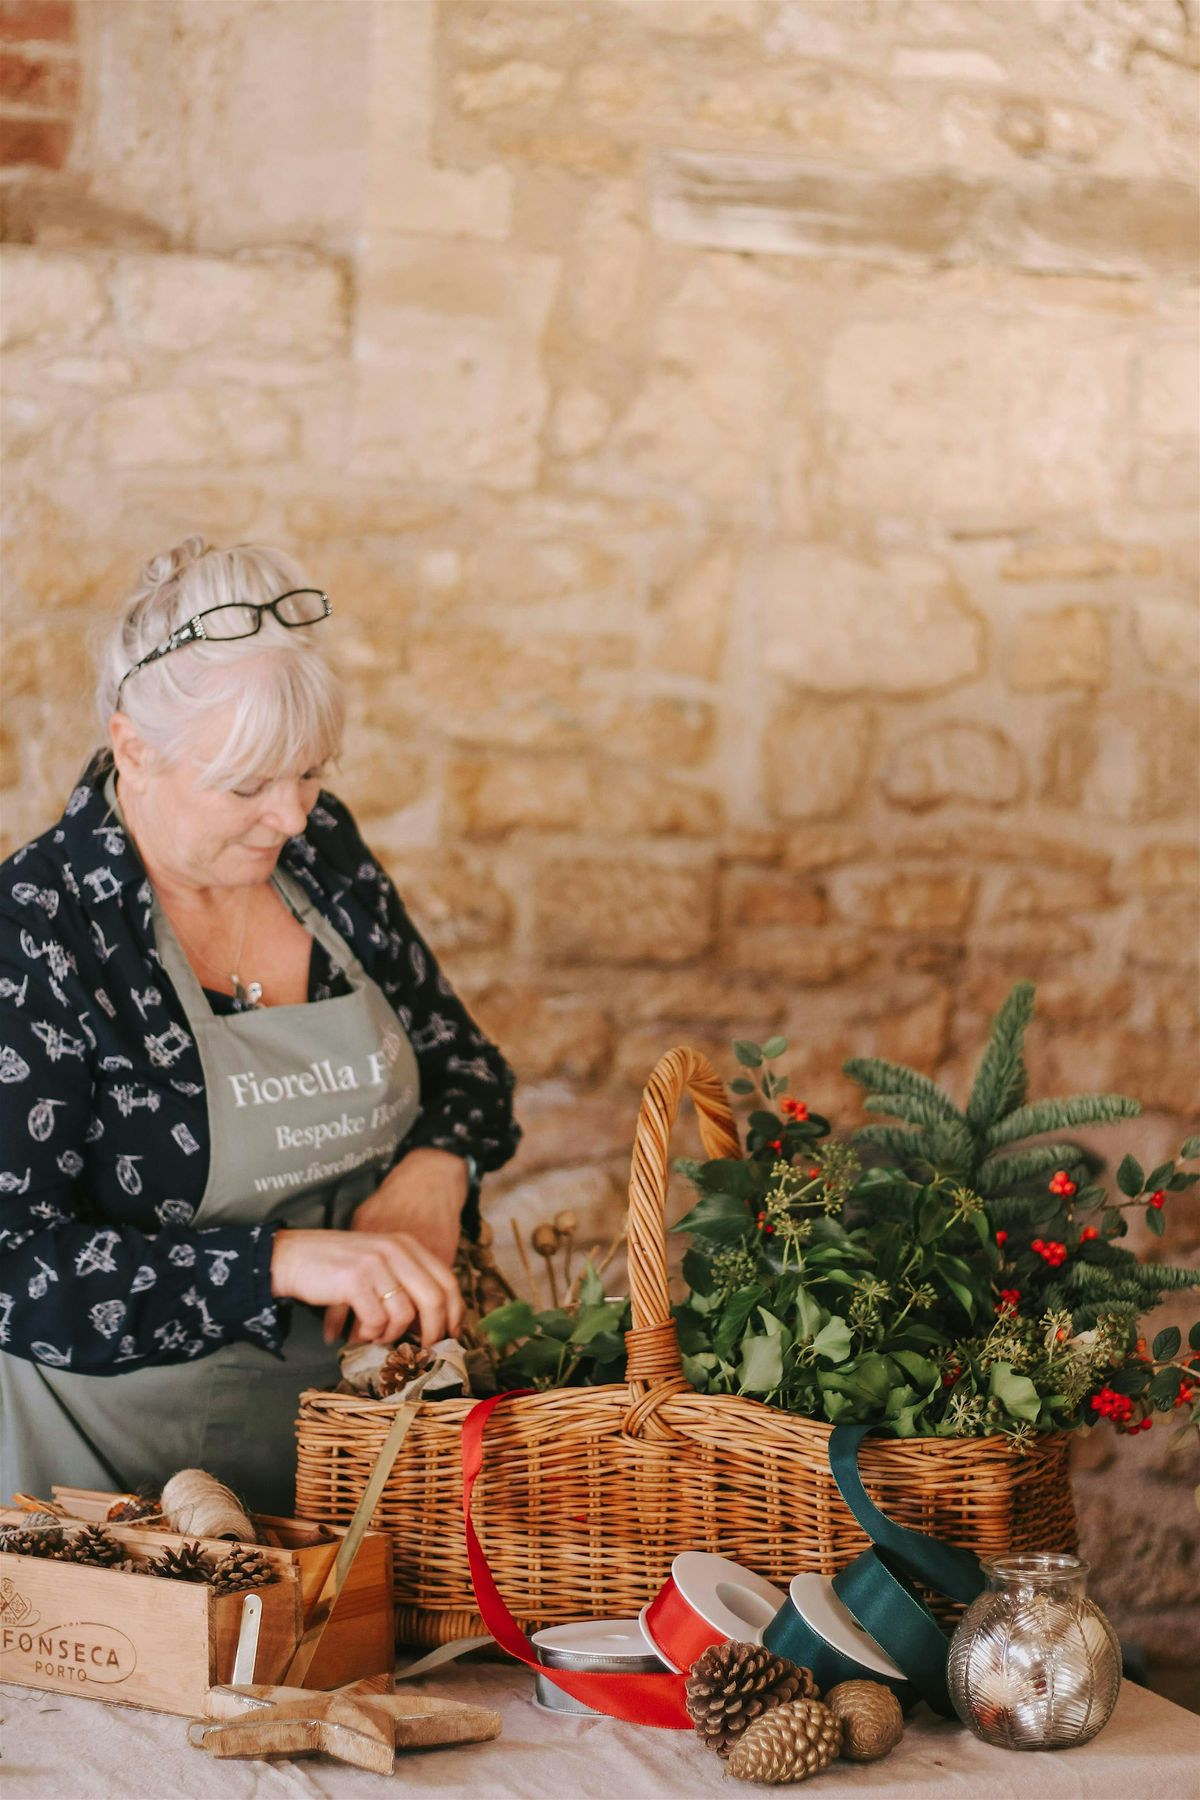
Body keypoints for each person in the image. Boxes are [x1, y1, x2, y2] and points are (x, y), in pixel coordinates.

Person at [0, 537, 520, 1514]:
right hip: (106, 1483)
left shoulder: (321, 852)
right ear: (134, 747)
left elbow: (469, 1069)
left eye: (310, 773)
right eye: (247, 786)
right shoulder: (39, 929)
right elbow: (15, 1267)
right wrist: (284, 1260)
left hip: (358, 1448)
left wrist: (434, 1170)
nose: (288, 816)